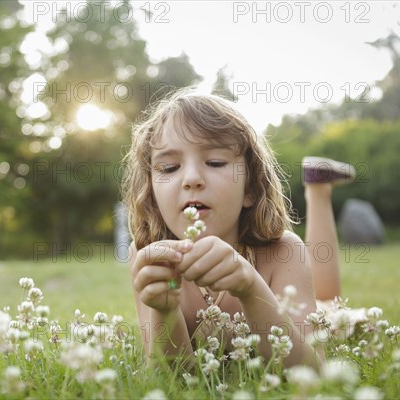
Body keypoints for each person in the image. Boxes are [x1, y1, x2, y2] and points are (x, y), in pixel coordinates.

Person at [121, 89, 355, 368]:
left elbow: (311, 370)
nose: (191, 178)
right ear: (152, 193)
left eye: (215, 162)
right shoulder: (151, 258)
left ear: (250, 190)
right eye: (169, 168)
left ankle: (318, 189)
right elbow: (172, 378)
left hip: (317, 311)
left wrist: (250, 286)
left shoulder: (282, 252)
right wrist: (165, 310)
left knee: (329, 302)